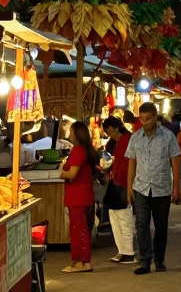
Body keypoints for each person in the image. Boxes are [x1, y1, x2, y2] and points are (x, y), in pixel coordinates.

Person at [126, 101, 181, 274]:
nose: (145, 123)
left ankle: (159, 259)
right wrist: (129, 188)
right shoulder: (135, 137)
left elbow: (176, 162)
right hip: (141, 188)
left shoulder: (168, 137)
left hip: (162, 188)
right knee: (141, 225)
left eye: (148, 119)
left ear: (155, 117)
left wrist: (176, 188)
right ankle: (145, 260)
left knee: (161, 227)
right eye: (142, 119)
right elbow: (131, 164)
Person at [60, 120, 98, 274]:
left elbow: (72, 174)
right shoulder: (85, 149)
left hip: (78, 196)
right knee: (80, 228)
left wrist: (62, 173)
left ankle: (83, 262)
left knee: (79, 229)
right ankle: (79, 261)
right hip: (83, 195)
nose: (69, 133)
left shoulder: (78, 150)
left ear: (76, 133)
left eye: (71, 130)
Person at [102, 116, 135, 264]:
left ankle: (128, 252)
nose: (110, 135)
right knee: (115, 217)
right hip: (117, 182)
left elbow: (128, 165)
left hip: (124, 184)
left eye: (109, 131)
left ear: (112, 128)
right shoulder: (119, 141)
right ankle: (122, 250)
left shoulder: (127, 140)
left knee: (124, 218)